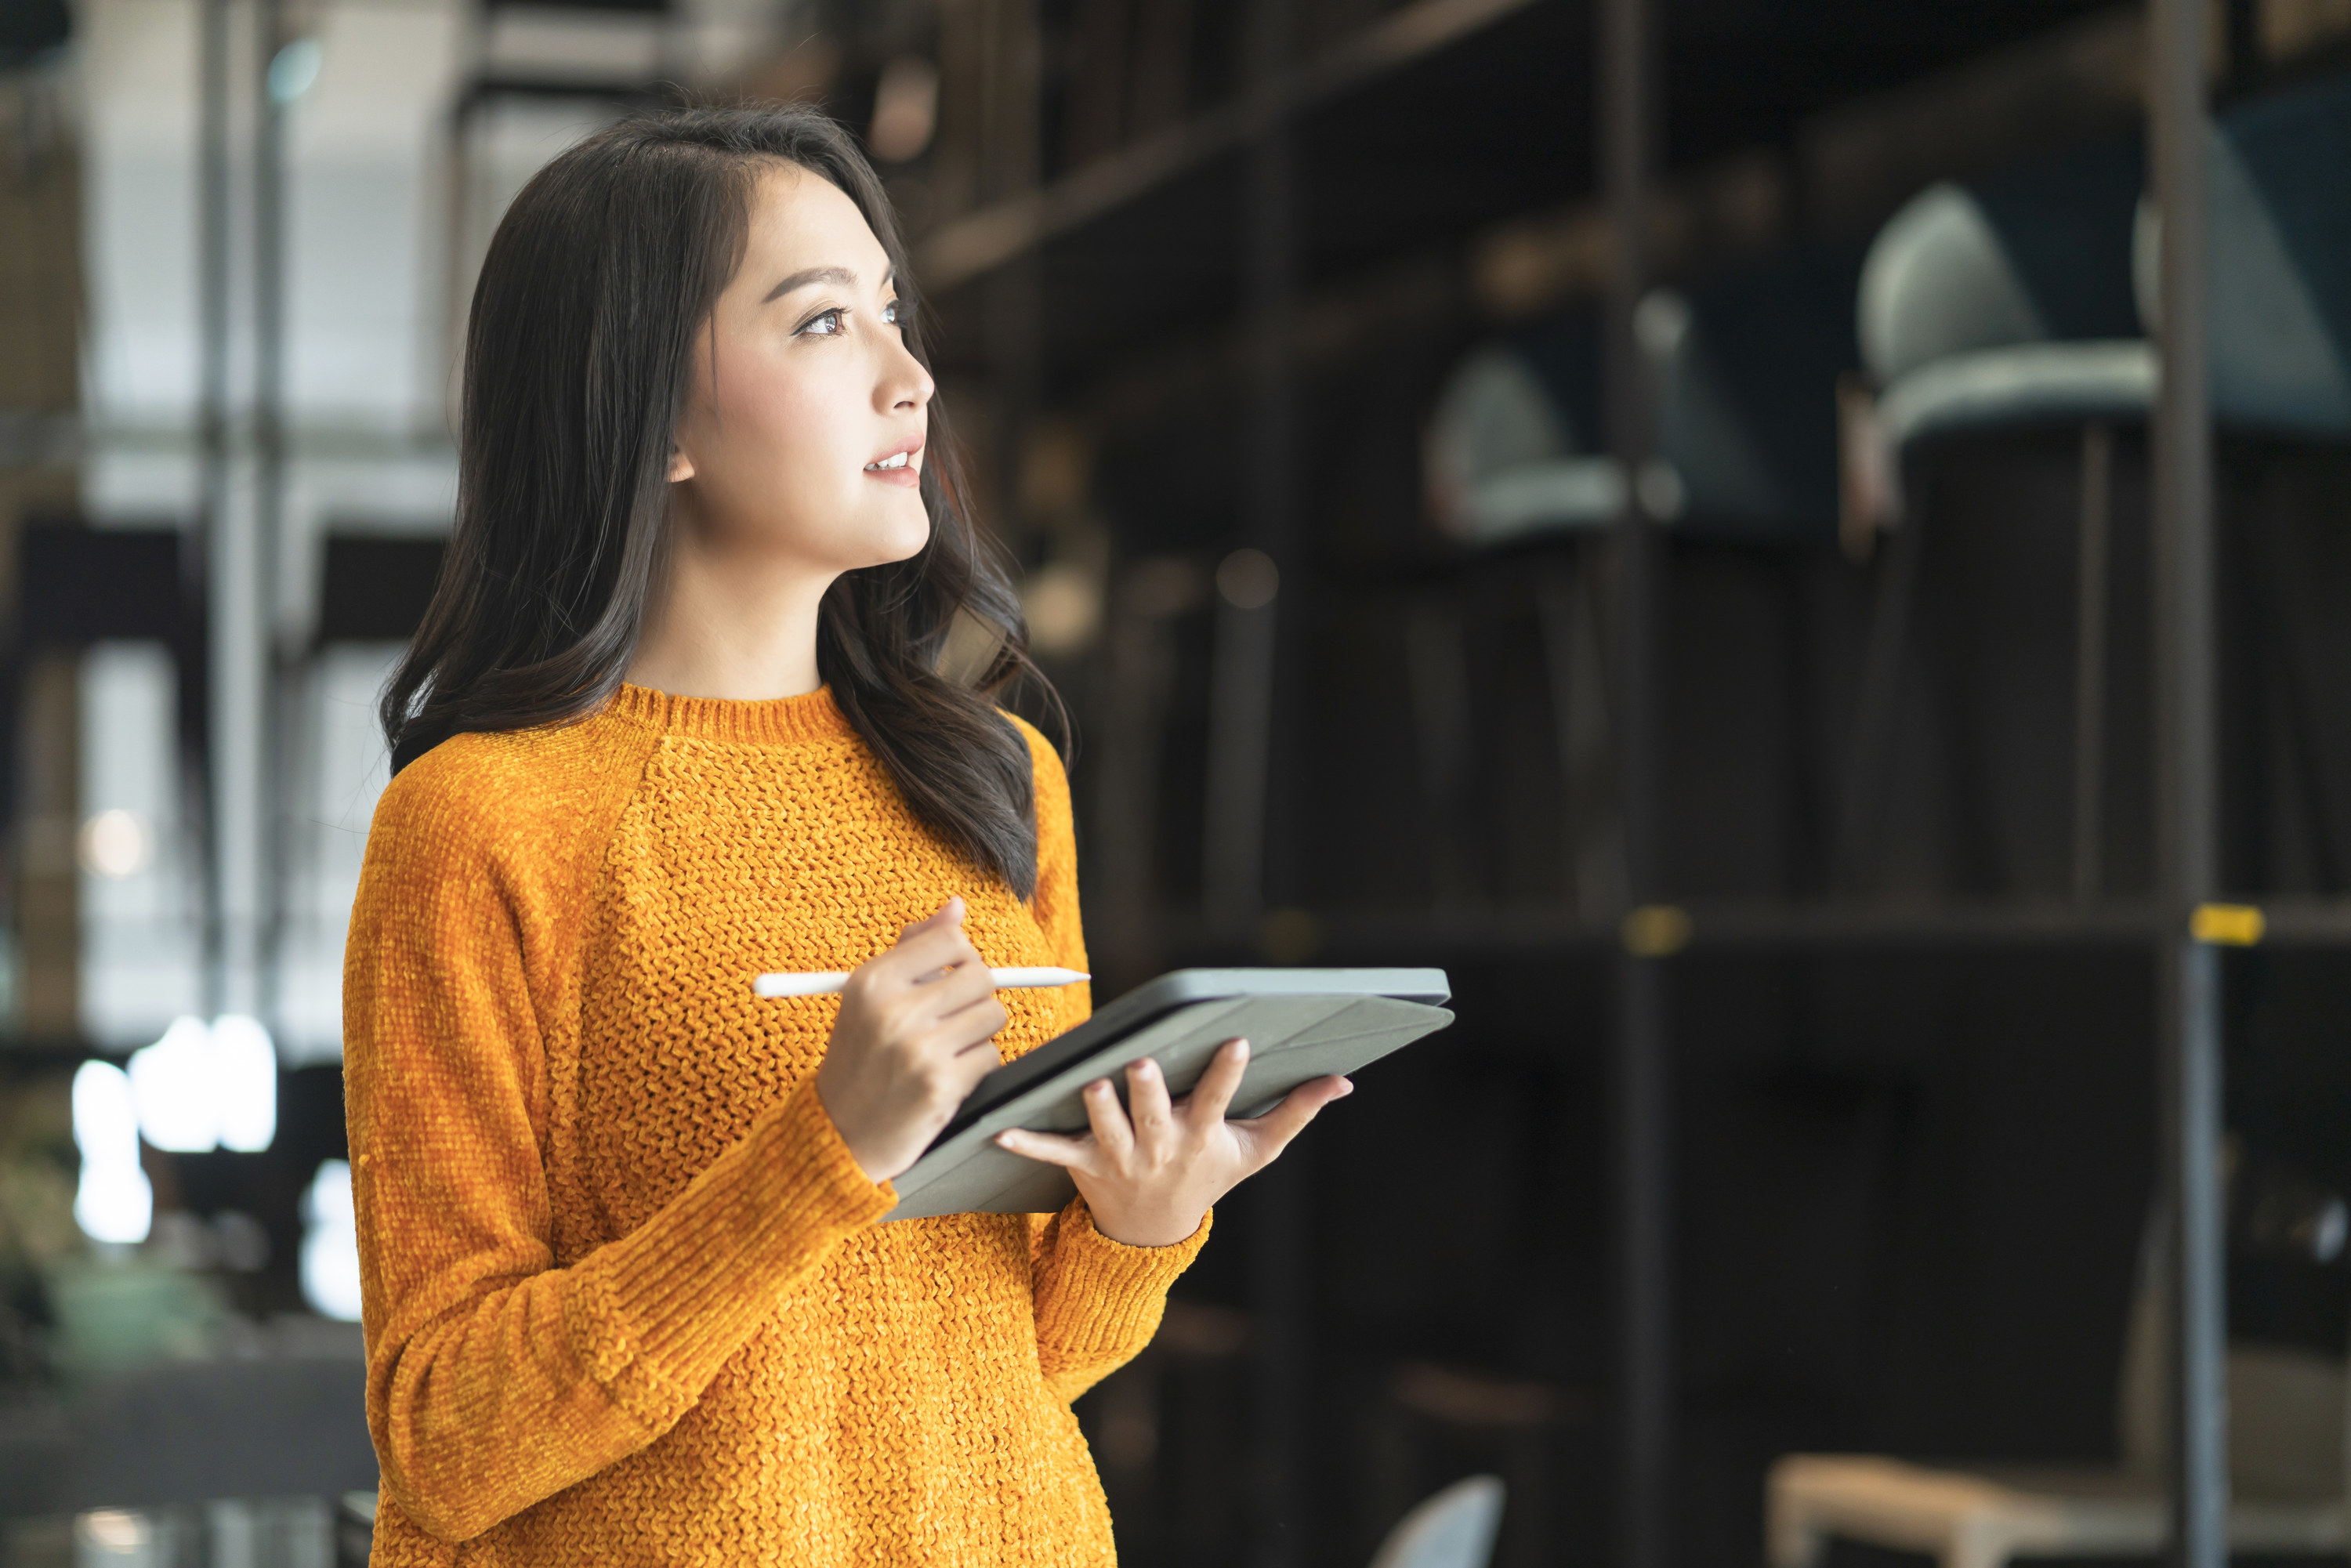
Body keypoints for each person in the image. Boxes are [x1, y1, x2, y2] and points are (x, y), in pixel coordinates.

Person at [343, 106, 1349, 1566]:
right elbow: (444, 1435)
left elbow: (998, 1373)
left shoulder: (995, 779)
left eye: (892, 311)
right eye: (824, 323)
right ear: (656, 416)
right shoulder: (479, 824)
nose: (911, 375)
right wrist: (818, 1156)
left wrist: (1139, 1227)